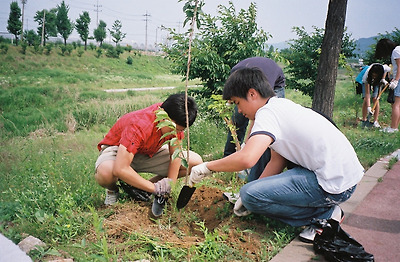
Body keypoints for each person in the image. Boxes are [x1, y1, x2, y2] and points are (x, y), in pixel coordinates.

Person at [189, 67, 364, 243]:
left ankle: (323, 216)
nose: (239, 111)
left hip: (332, 182)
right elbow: (276, 161)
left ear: (252, 94)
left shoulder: (267, 114)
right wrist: (253, 193)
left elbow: (247, 158)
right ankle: (322, 211)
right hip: (342, 176)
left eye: (237, 103)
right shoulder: (279, 105)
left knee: (250, 194)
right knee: (251, 194)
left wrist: (207, 167)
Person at [95, 93, 203, 216]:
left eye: (180, 130)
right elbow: (121, 168)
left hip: (147, 151)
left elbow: (176, 156)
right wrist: (155, 189)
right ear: (163, 116)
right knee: (106, 172)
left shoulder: (173, 121)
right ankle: (113, 190)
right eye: (174, 129)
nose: (176, 133)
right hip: (119, 150)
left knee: (194, 162)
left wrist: (169, 185)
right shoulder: (139, 124)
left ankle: (141, 188)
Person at [223, 57, 286, 157]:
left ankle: (260, 158)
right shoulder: (236, 73)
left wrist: (247, 145)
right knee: (237, 120)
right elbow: (233, 92)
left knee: (268, 125)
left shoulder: (264, 83)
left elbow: (258, 118)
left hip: (275, 85)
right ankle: (228, 156)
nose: (239, 108)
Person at [375, 38, 400, 133]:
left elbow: (399, 67)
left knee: (396, 104)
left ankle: (393, 128)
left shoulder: (396, 51)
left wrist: (396, 80)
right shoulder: (398, 49)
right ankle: (395, 127)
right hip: (398, 78)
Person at [355, 63, 391, 128]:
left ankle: (375, 121)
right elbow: (367, 94)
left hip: (378, 81)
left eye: (375, 76)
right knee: (366, 99)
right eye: (373, 75)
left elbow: (387, 69)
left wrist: (383, 78)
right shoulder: (366, 77)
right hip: (367, 81)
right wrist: (369, 107)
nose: (374, 77)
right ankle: (364, 119)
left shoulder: (384, 68)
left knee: (375, 99)